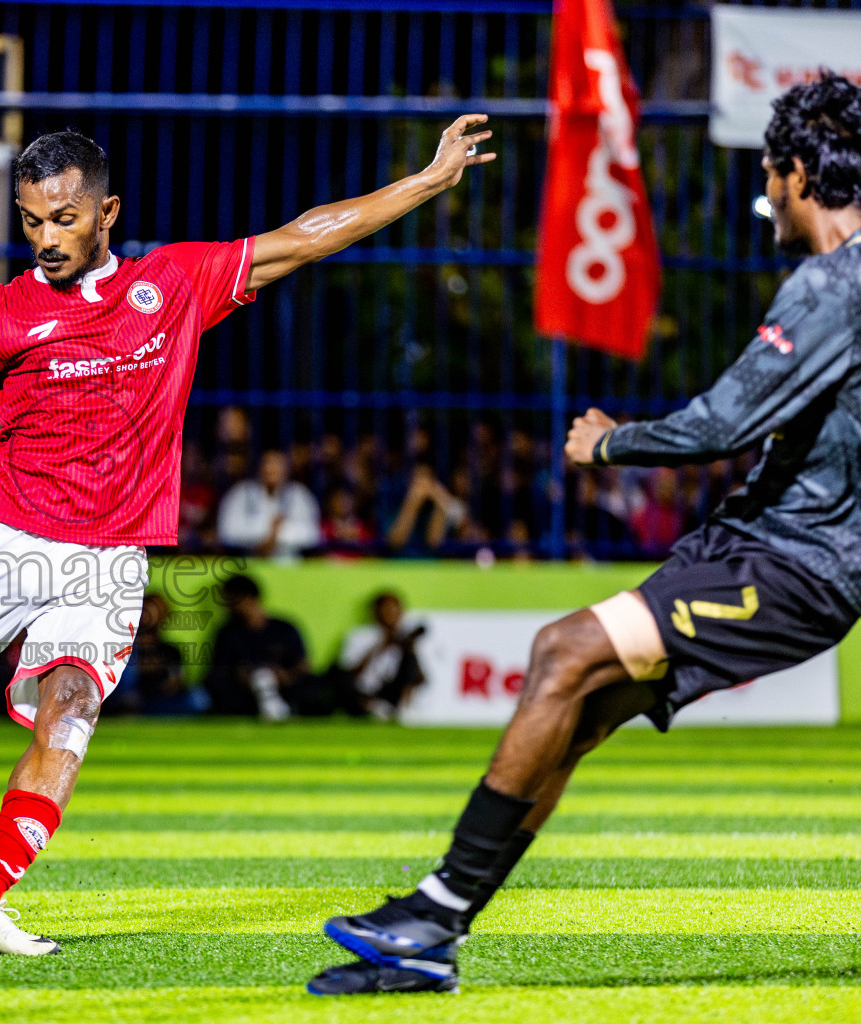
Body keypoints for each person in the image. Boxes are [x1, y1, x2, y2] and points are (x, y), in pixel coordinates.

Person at [0, 118, 495, 955]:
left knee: (72, 708)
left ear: (106, 213)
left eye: (63, 218)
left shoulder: (172, 285)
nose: (47, 238)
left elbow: (302, 238)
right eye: (31, 220)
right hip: (1, 537)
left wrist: (424, 182)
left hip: (108, 556)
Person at [311, 73, 861, 996]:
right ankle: (433, 933)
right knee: (576, 710)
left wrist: (608, 442)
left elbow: (719, 424)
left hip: (791, 564)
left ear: (799, 173)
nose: (764, 194)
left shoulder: (829, 286)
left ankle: (434, 913)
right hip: (766, 549)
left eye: (769, 175)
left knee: (561, 651)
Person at [203, 574, 311, 722]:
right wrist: (243, 676)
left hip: (284, 687)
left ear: (247, 598)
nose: (226, 606)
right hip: (243, 691)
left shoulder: (284, 628)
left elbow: (303, 664)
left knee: (313, 687)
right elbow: (219, 669)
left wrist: (285, 676)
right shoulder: (227, 633)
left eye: (230, 599)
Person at [336, 591, 427, 720]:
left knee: (409, 661)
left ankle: (404, 710)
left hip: (390, 693)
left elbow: (421, 678)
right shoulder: (359, 636)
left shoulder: (406, 640)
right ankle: (370, 708)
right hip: (362, 693)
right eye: (386, 609)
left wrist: (408, 649)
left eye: (395, 609)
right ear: (376, 612)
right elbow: (347, 674)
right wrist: (381, 646)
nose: (391, 614)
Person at [216, 449, 321, 557]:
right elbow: (228, 531)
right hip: (247, 560)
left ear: (287, 469)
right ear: (259, 467)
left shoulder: (299, 495)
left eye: (278, 464)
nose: (273, 469)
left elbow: (312, 534)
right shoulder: (241, 492)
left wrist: (277, 533)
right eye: (269, 463)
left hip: (290, 563)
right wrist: (270, 530)